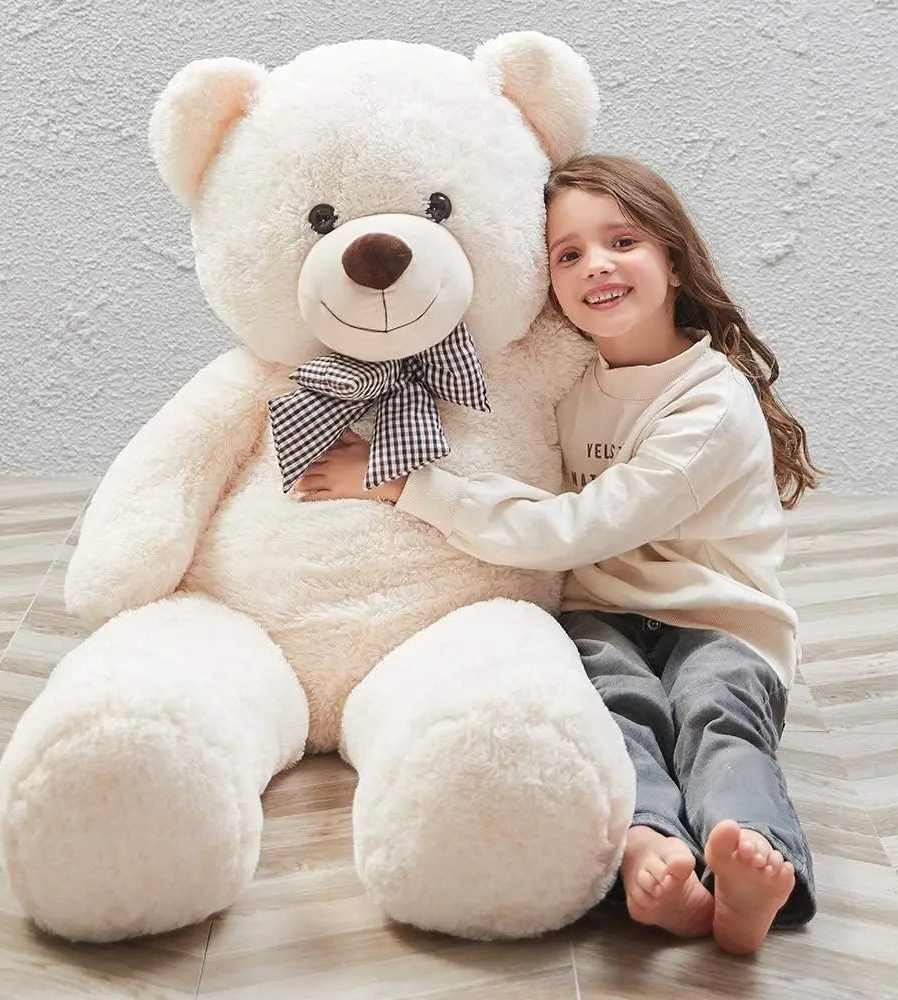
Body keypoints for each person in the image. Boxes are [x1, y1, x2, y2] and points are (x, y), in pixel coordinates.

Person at [295, 154, 820, 954]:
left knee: (714, 710)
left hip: (718, 619)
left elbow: (574, 527)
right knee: (616, 708)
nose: (595, 265)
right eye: (568, 253)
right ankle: (653, 848)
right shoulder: (571, 379)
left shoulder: (710, 404)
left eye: (623, 241)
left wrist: (403, 485)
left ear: (673, 260)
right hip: (601, 609)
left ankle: (749, 862)